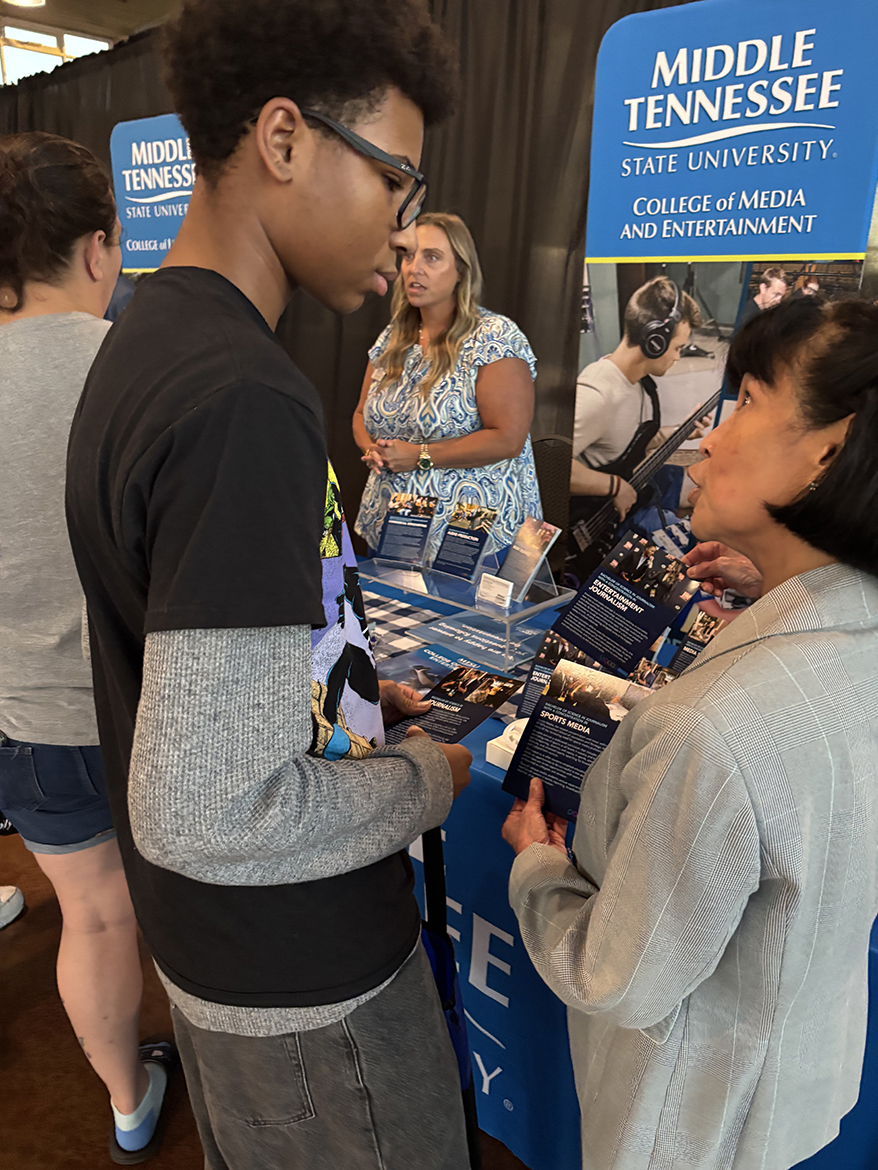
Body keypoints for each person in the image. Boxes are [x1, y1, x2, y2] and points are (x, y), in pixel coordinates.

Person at [65, 3, 472, 1167]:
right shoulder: (244, 398)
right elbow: (207, 808)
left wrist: (342, 697)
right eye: (396, 180)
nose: (402, 232)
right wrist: (424, 779)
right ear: (283, 139)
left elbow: (179, 652)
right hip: (307, 978)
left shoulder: (145, 342)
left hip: (222, 959)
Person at [503, 295, 878, 1170]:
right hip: (791, 1076)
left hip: (685, 1119)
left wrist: (535, 865)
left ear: (830, 448)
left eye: (746, 399)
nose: (708, 436)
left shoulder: (710, 730)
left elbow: (618, 976)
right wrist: (777, 575)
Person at [0, 131, 175, 1164]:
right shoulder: (143, 367)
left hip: (27, 718)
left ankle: (124, 1100)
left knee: (94, 916)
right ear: (103, 247)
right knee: (187, 916)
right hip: (153, 709)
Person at [354, 211, 542, 561]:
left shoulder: (494, 336)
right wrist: (372, 450)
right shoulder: (394, 337)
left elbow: (507, 438)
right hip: (392, 524)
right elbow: (362, 412)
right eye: (409, 256)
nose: (415, 268)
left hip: (471, 535)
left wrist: (418, 456)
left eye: (432, 257)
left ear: (461, 272)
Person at [570, 276, 704, 520]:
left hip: (633, 479)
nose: (677, 358)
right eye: (677, 348)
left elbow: (631, 443)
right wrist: (615, 486)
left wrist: (681, 430)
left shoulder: (640, 384)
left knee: (703, 489)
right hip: (596, 515)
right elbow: (549, 468)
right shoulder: (597, 393)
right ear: (655, 342)